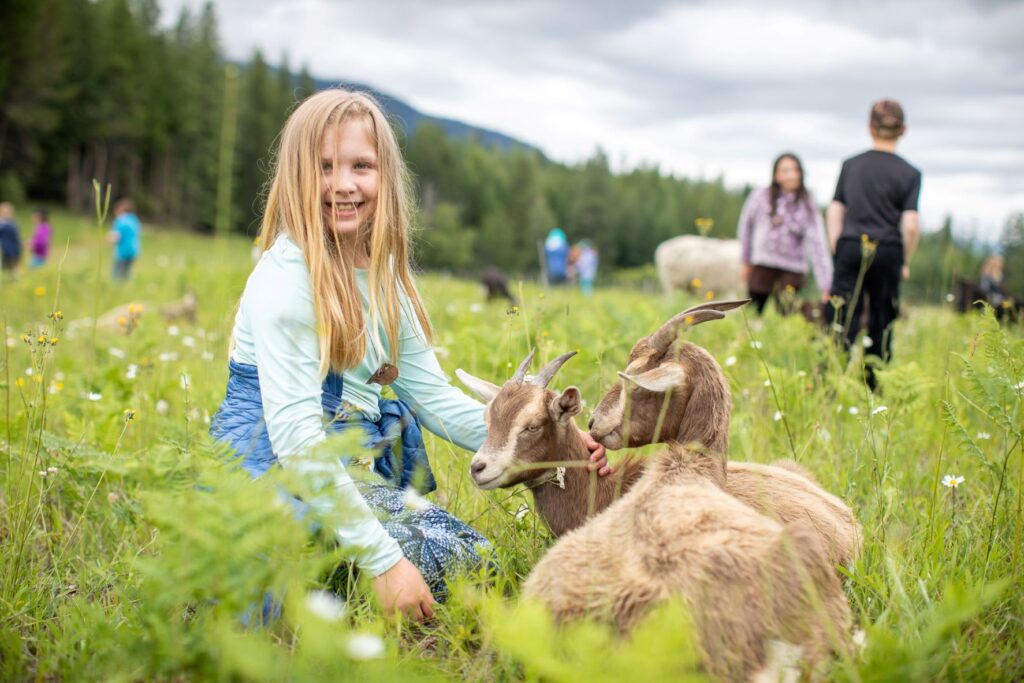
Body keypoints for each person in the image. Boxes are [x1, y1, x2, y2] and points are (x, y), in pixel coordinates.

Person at [209, 89, 610, 623]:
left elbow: (433, 398)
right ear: (296, 174)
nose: (344, 184)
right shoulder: (286, 280)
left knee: (476, 566)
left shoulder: (383, 278)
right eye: (324, 167)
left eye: (361, 166)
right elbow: (297, 439)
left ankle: (346, 561)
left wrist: (555, 440)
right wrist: (384, 561)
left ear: (385, 178)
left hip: (337, 470)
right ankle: (334, 573)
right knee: (267, 593)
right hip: (270, 467)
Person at [824, 99, 921, 390]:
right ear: (903, 130)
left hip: (852, 245)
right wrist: (904, 261)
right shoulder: (910, 173)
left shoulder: (851, 165)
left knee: (842, 316)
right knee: (882, 317)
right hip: (889, 249)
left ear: (870, 128)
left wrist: (837, 248)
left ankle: (832, 381)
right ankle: (872, 387)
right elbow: (911, 223)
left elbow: (835, 210)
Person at [737, 153, 833, 314]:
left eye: (795, 170)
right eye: (785, 170)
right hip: (763, 264)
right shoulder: (760, 196)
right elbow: (745, 228)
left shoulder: (807, 204)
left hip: (792, 269)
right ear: (776, 175)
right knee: (753, 312)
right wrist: (745, 260)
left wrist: (826, 285)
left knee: (786, 316)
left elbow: (818, 246)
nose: (791, 175)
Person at [107, 198, 141, 280]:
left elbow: (115, 238)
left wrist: (107, 239)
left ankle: (117, 290)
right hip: (134, 251)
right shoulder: (134, 219)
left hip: (123, 252)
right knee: (126, 274)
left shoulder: (120, 220)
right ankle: (126, 290)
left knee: (116, 275)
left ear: (120, 209)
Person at [0, 202, 22, 275]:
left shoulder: (14, 223)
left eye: (8, 212)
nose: (6, 214)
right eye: (4, 212)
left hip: (14, 250)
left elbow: (17, 237)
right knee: (4, 269)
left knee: (13, 270)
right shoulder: (2, 223)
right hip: (3, 251)